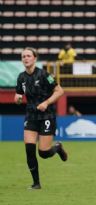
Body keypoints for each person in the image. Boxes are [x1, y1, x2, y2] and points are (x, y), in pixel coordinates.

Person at [14, 47, 68, 189]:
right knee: (29, 150)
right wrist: (18, 98)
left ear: (35, 58)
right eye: (23, 56)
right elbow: (18, 94)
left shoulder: (44, 74)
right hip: (31, 115)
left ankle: (57, 147)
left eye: (28, 56)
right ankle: (36, 183)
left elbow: (59, 91)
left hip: (46, 115)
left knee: (43, 153)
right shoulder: (21, 77)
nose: (25, 58)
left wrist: (46, 102)